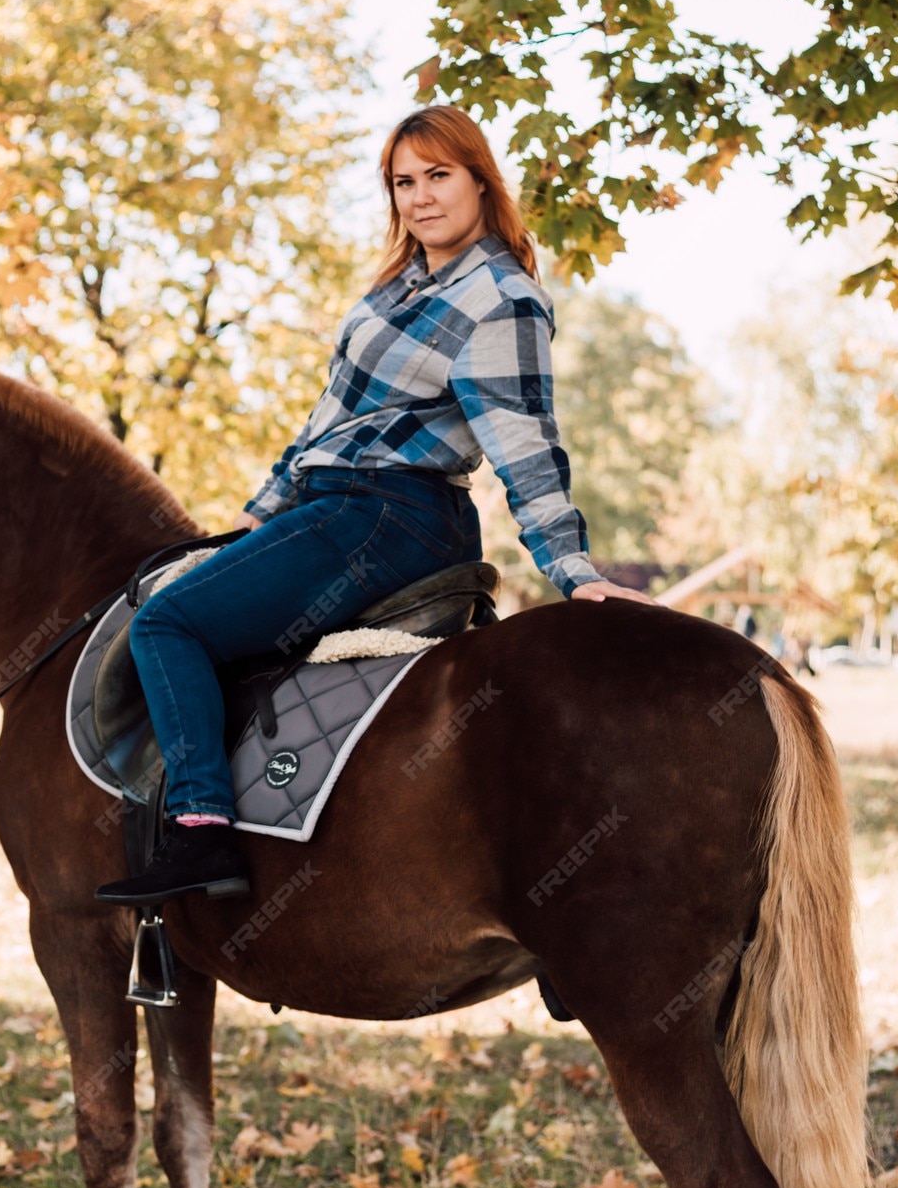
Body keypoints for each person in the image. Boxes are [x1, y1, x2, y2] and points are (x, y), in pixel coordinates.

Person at [95, 105, 652, 906]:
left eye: (438, 176)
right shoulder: (399, 288)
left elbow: (524, 443)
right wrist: (265, 508)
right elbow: (333, 414)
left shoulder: (499, 296)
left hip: (389, 514)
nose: (420, 198)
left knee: (167, 623)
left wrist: (569, 568)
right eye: (402, 183)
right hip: (329, 504)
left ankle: (201, 830)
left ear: (478, 180)